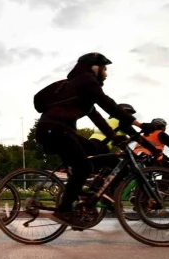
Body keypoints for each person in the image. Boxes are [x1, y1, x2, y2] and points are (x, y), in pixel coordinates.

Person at [35, 52, 151, 228]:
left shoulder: (81, 92)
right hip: (54, 131)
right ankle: (64, 211)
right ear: (94, 67)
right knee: (84, 167)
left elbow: (98, 119)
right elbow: (108, 104)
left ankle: (90, 195)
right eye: (104, 69)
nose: (106, 73)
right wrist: (140, 124)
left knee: (96, 152)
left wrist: (114, 138)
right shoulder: (86, 80)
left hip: (58, 131)